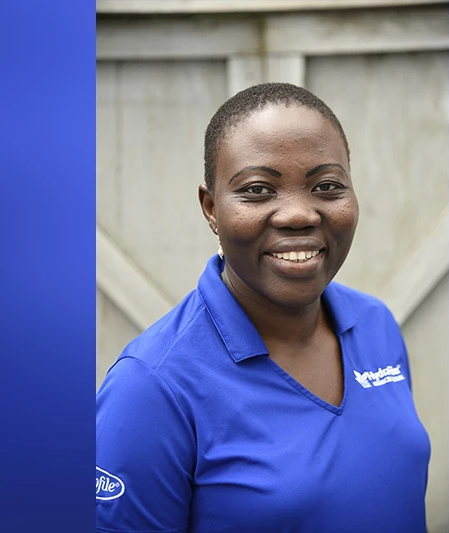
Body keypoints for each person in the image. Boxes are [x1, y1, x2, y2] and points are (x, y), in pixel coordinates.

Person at [96, 83, 431, 533]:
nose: (298, 214)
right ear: (211, 209)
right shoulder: (151, 386)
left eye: (327, 186)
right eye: (257, 189)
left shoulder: (376, 324)